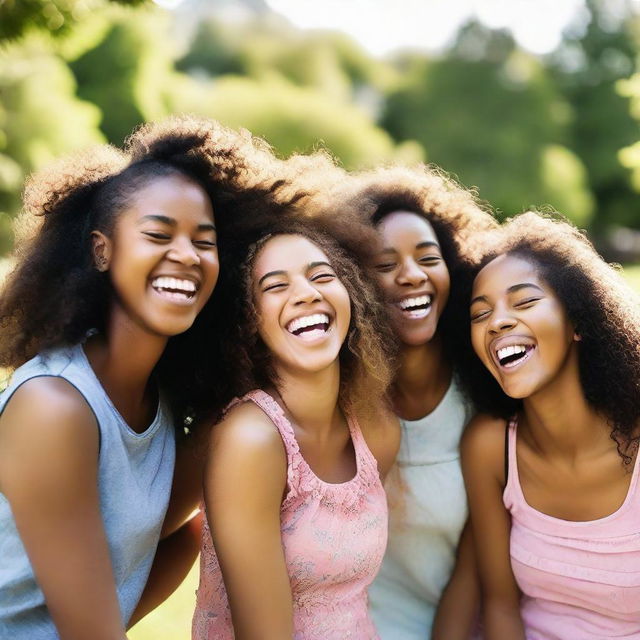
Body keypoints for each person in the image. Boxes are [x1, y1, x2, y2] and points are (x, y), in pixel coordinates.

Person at [0, 115, 277, 639]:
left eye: (205, 240)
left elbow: (182, 535)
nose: (186, 256)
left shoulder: (169, 406)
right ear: (102, 250)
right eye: (157, 234)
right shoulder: (54, 406)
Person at [191, 216, 401, 640]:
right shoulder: (250, 439)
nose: (306, 294)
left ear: (352, 296)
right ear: (248, 322)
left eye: (321, 276)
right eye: (275, 286)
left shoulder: (376, 430)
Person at [329, 165, 496, 640]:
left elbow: (479, 567)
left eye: (428, 258)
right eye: (385, 265)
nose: (411, 276)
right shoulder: (337, 400)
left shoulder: (487, 393)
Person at [458, 212, 640, 639]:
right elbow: (500, 606)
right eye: (480, 314)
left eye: (523, 302)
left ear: (577, 321)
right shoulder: (489, 446)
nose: (497, 322)